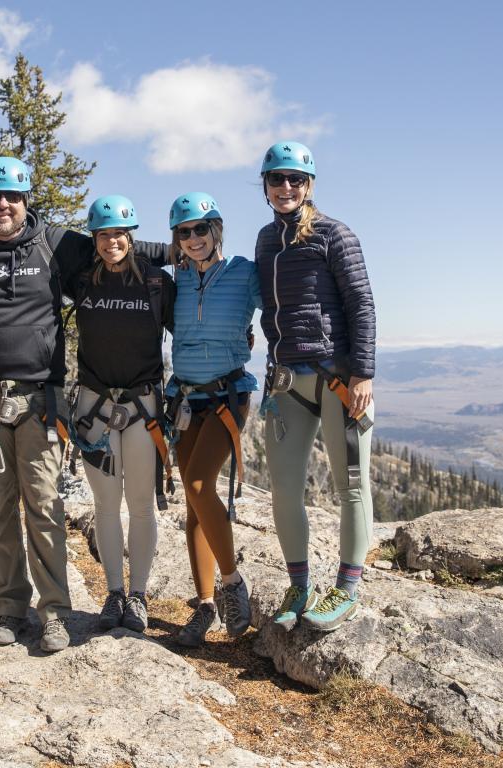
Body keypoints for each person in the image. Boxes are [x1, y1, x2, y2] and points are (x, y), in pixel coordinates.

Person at [0, 156, 169, 653]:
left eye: (13, 197)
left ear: (26, 201)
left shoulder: (56, 243)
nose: (3, 205)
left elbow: (119, 243)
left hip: (41, 399)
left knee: (44, 505)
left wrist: (187, 251)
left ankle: (55, 612)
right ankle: (7, 606)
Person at [254, 141, 376, 633]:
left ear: (309, 186)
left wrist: (364, 373)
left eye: (295, 180)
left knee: (351, 486)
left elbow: (362, 304)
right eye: (277, 179)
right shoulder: (266, 240)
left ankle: (346, 588)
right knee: (284, 490)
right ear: (265, 186)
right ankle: (298, 584)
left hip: (338, 380)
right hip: (287, 380)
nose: (286, 187)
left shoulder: (334, 234)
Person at [69, 195, 175, 633]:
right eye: (103, 234)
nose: (112, 241)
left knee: (142, 506)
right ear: (93, 238)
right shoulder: (82, 282)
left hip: (142, 406)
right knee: (106, 505)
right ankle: (114, 593)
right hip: (95, 407)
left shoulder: (156, 284)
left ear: (132, 237)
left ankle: (139, 595)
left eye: (119, 234)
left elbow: (185, 333)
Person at [163, 192, 260, 648]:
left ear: (217, 228)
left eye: (201, 228)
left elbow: (282, 305)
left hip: (228, 394)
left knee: (201, 484)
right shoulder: (175, 280)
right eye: (184, 232)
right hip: (184, 398)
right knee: (194, 504)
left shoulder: (244, 273)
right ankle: (204, 606)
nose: (193, 238)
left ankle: (232, 583)